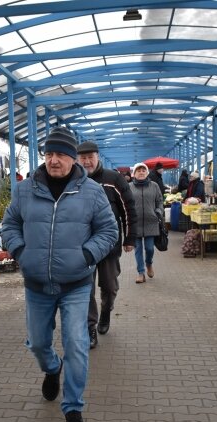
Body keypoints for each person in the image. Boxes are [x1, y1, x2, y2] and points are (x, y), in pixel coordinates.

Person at [2, 127, 118, 422]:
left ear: (72, 158)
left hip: (76, 284)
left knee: (77, 344)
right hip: (36, 284)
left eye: (61, 155)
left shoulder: (91, 192)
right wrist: (21, 251)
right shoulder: (25, 190)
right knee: (39, 343)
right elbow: (10, 223)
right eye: (49, 154)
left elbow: (109, 231)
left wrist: (85, 255)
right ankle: (52, 369)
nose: (54, 160)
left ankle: (73, 408)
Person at [76, 141, 137, 348]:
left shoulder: (113, 179)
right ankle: (90, 327)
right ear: (77, 159)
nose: (86, 162)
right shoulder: (73, 180)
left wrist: (130, 238)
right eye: (82, 158)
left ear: (97, 157)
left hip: (109, 245)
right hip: (82, 247)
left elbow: (129, 208)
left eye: (90, 157)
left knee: (109, 286)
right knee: (86, 288)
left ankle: (106, 311)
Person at [128, 163, 163, 283]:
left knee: (149, 248)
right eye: (138, 170)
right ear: (134, 174)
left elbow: (159, 201)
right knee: (137, 249)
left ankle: (149, 264)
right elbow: (125, 203)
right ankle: (141, 273)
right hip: (135, 223)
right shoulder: (129, 187)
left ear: (147, 172)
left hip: (151, 222)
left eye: (144, 170)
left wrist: (158, 212)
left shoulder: (154, 186)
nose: (141, 172)